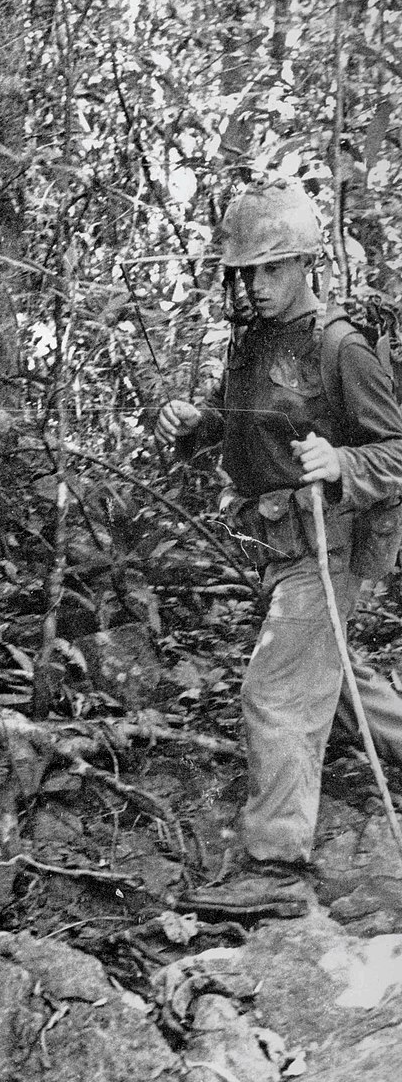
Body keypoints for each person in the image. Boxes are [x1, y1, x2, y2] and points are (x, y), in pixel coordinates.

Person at [157, 179, 402, 917]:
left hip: (329, 545)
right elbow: (251, 427)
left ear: (305, 263)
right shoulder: (255, 339)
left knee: (278, 691)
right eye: (245, 272)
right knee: (337, 681)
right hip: (278, 544)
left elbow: (395, 448)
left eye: (272, 268)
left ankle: (277, 867)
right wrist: (199, 422)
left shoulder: (341, 346)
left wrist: (346, 464)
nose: (256, 285)